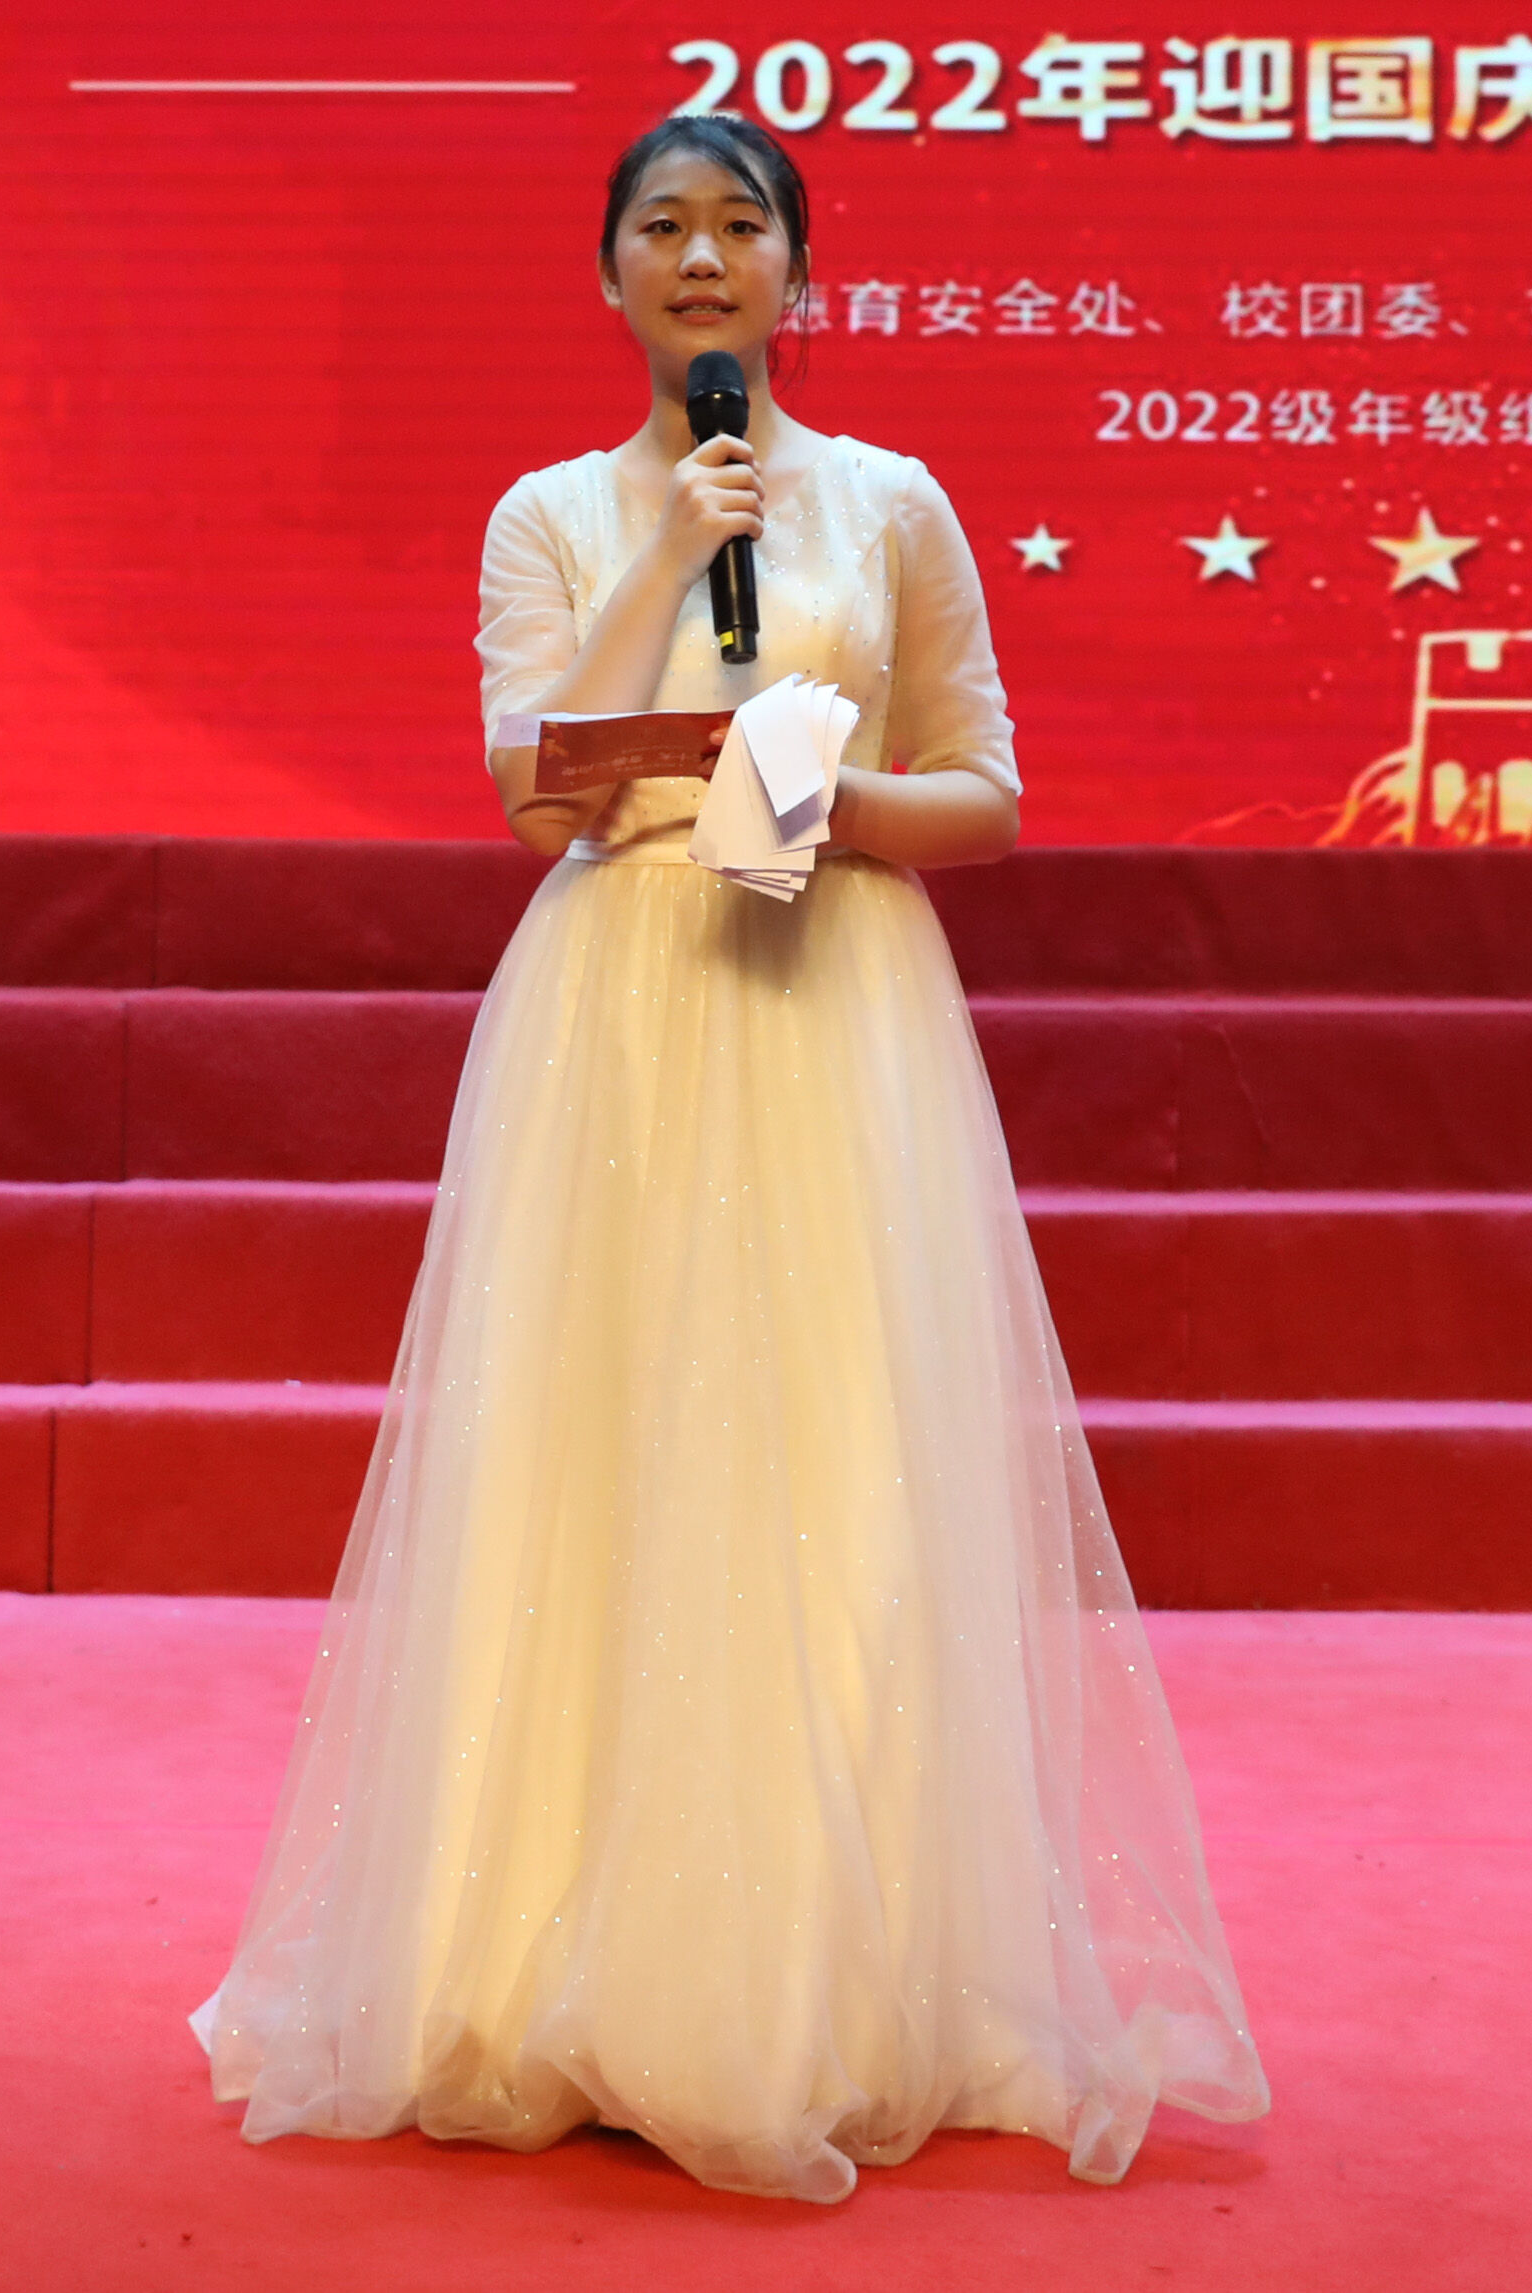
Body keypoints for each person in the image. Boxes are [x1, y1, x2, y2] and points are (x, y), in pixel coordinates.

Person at [189, 112, 1268, 2204]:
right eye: (664, 227)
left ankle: (829, 1977)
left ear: (800, 273)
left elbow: (988, 790)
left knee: (838, 1456)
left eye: (742, 225)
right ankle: (544, 1956)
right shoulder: (549, 513)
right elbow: (540, 792)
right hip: (622, 1004)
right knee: (598, 1446)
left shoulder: (893, 502)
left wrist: (822, 793)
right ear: (608, 275)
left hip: (836, 992)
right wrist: (675, 554)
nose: (704, 258)